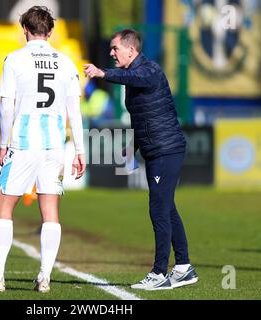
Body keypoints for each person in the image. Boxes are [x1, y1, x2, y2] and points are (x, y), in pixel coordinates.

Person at [0, 6, 86, 293]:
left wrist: (4, 143)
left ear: (25, 30)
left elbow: (6, 106)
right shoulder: (67, 62)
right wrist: (80, 150)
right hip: (54, 143)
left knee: (3, 205)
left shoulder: (15, 59)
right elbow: (74, 111)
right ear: (51, 31)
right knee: (50, 210)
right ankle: (44, 277)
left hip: (24, 142)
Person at [84, 29, 198, 290]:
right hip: (155, 149)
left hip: (166, 150)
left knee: (158, 209)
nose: (111, 53)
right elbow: (143, 117)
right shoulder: (135, 75)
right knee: (167, 207)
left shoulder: (149, 70)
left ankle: (159, 274)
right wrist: (132, 147)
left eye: (115, 49)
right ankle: (183, 268)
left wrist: (102, 73)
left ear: (131, 51)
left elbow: (133, 76)